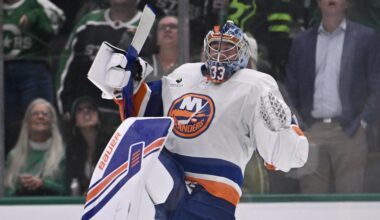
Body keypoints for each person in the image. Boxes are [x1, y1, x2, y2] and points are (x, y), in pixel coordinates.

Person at [97, 20, 308, 219]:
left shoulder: (255, 84)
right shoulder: (184, 74)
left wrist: (279, 129)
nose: (219, 54)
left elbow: (284, 157)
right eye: (215, 47)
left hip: (215, 190)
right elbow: (144, 114)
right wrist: (128, 81)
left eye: (227, 48)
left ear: (244, 54)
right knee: (149, 167)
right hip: (169, 179)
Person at [285, 0, 379, 193]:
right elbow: (290, 90)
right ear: (318, 3)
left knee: (349, 202)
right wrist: (300, 126)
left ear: (347, 3)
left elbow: (376, 86)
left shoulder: (366, 38)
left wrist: (362, 123)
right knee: (312, 199)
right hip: (311, 131)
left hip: (349, 131)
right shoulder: (302, 42)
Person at [55, 0, 151, 132]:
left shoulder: (148, 24)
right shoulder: (88, 22)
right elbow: (67, 63)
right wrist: (65, 106)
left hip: (126, 116)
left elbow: (157, 67)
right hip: (86, 112)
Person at [3, 0, 65, 154]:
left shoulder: (37, 3)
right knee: (7, 126)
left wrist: (35, 16)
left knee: (39, 120)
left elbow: (58, 19)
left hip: (33, 68)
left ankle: (43, 166)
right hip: (3, 71)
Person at [4, 98, 66, 196]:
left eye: (45, 114)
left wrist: (44, 184)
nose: (40, 117)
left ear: (52, 123)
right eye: (35, 114)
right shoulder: (13, 156)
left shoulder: (63, 155)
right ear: (27, 123)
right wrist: (21, 187)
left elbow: (68, 191)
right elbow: (6, 193)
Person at [65, 96, 113, 196]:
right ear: (75, 121)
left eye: (90, 108)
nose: (86, 111)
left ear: (98, 116)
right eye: (80, 110)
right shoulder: (72, 149)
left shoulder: (112, 142)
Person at [145, 15, 180, 82]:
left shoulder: (190, 64)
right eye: (162, 27)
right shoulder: (143, 66)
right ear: (156, 38)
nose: (167, 29)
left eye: (173, 26)